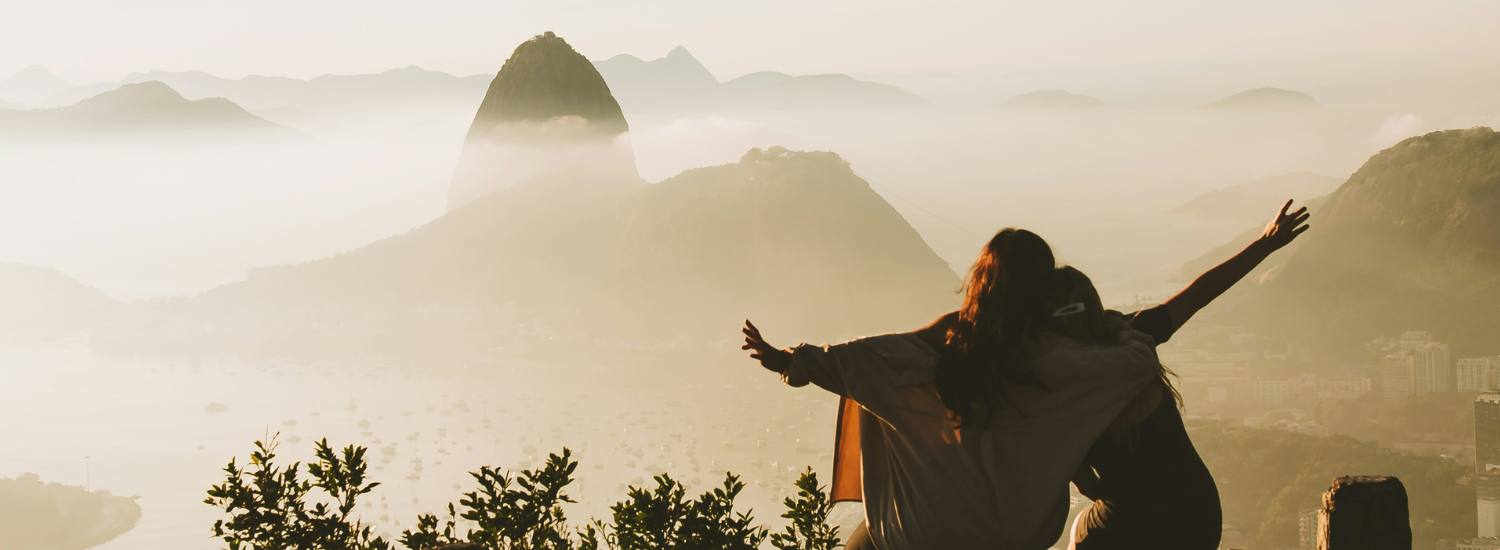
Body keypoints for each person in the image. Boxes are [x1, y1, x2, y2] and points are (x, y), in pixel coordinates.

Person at [742, 228, 1164, 550]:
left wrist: (786, 359)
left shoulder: (928, 357)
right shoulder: (1063, 364)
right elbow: (1136, 363)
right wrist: (1112, 326)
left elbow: (854, 361)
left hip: (917, 537)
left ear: (981, 281)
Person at [1067, 199, 1311, 550]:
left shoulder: (1055, 384)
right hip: (1199, 517)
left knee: (1080, 532)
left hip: (1132, 523)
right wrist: (1265, 244)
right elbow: (1198, 294)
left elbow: (1088, 487)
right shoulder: (1132, 336)